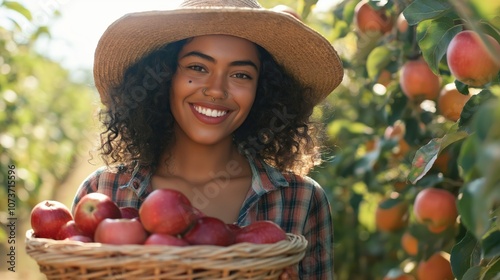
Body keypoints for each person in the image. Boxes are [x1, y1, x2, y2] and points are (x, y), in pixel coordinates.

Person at [72, 0, 343, 279]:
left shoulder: (301, 199)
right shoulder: (103, 190)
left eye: (241, 74)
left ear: (262, 92)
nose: (216, 90)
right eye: (197, 67)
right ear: (165, 76)